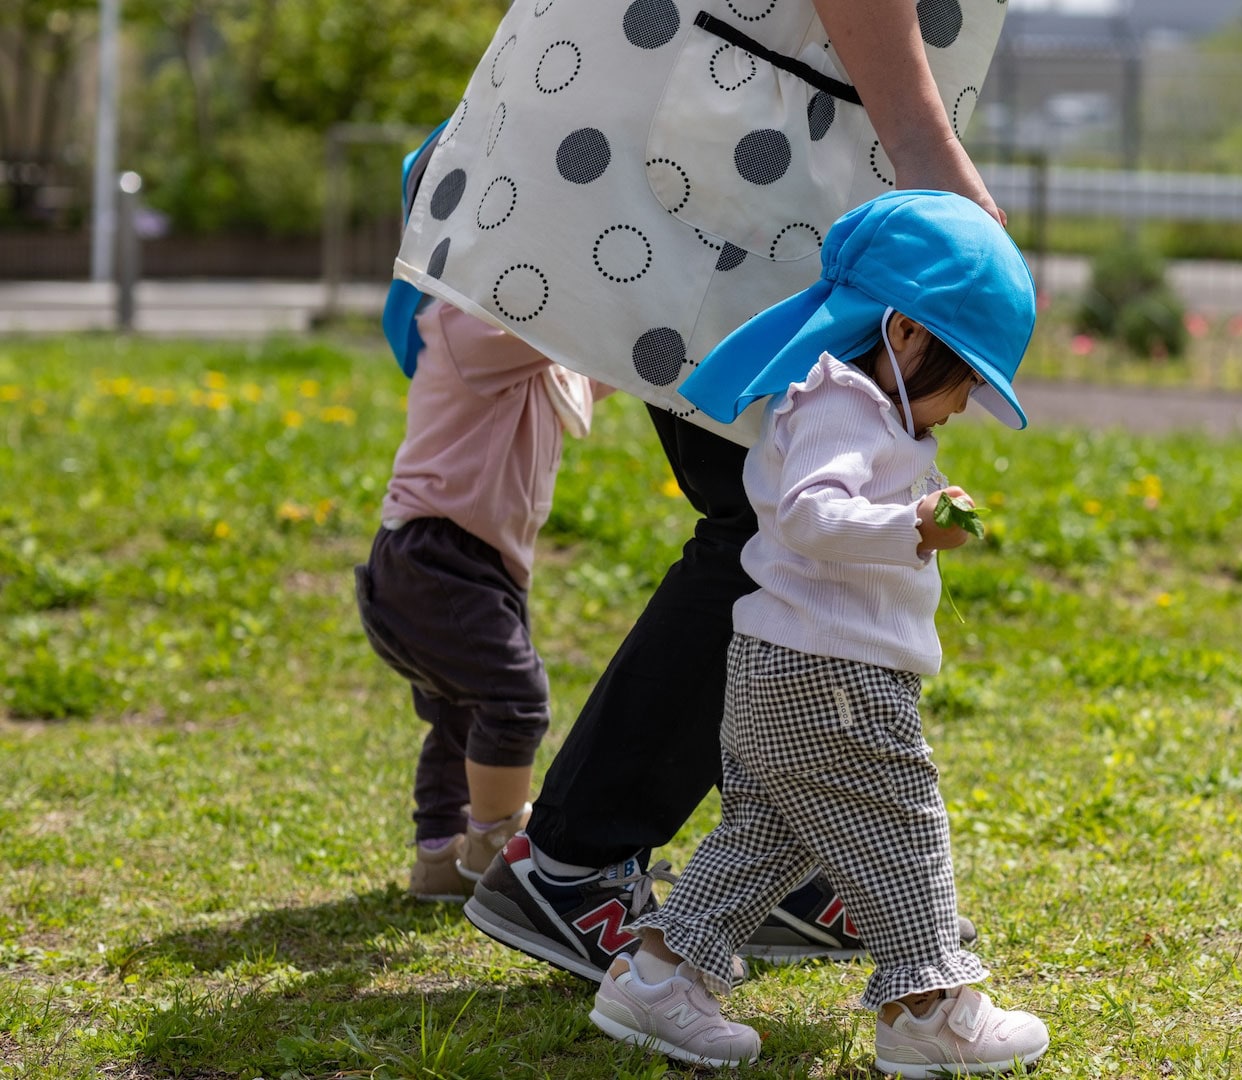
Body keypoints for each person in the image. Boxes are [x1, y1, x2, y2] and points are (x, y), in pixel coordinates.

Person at [388, 0, 1015, 976]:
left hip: (747, 124)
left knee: (756, 507)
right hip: (734, 134)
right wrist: (925, 144)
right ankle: (573, 860)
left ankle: (766, 875)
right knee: (765, 519)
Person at [587, 190, 1046, 1075]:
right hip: (832, 678)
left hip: (781, 670)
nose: (960, 408)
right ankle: (929, 1010)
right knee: (900, 826)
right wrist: (911, 525)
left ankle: (656, 981)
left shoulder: (859, 406)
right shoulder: (840, 402)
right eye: (966, 381)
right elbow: (808, 515)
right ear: (906, 333)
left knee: (763, 839)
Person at [354, 301, 611, 902]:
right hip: (435, 556)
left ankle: (439, 856)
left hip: (475, 562)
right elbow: (589, 334)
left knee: (458, 713)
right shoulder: (461, 322)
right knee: (514, 700)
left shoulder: (528, 350)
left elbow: (598, 373)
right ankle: (496, 841)